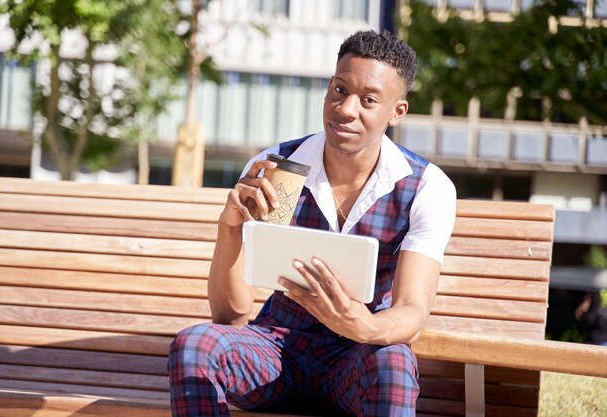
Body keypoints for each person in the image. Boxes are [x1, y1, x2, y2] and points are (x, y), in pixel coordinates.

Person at [168, 30, 456, 417]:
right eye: (339, 90)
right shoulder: (277, 167)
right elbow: (231, 316)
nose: (346, 109)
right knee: (194, 344)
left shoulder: (425, 186)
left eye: (368, 100)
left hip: (355, 358)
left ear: (396, 112)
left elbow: (411, 310)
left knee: (394, 362)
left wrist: (363, 327)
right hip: (275, 352)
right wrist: (230, 228)